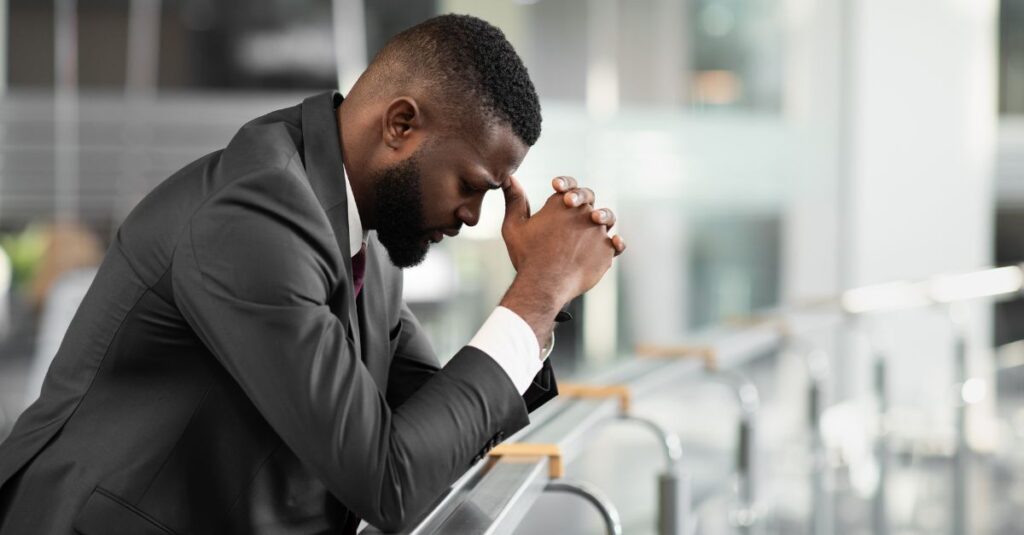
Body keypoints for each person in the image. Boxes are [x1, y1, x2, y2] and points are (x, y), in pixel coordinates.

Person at [0, 14, 625, 535]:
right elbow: (391, 478)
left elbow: (434, 431)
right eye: (469, 186)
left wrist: (541, 296)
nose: (472, 215)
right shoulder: (254, 219)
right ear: (400, 125)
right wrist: (538, 293)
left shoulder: (366, 244)